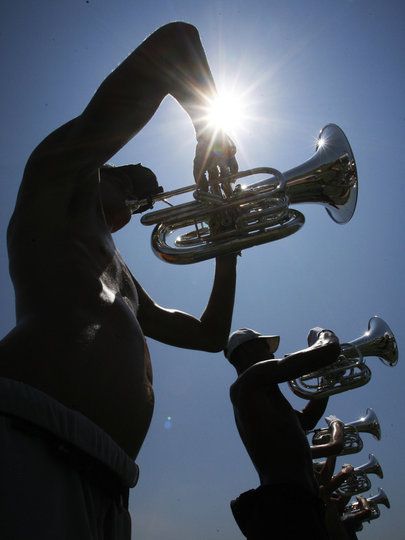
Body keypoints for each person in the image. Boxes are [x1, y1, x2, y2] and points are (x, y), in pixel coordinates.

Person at [0, 22, 238, 539]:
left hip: (112, 487)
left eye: (143, 201)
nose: (136, 204)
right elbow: (177, 41)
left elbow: (208, 335)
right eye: (130, 182)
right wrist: (208, 128)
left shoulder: (119, 275)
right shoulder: (54, 173)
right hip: (30, 438)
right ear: (99, 167)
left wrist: (228, 247)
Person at [225, 326, 341, 539]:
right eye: (264, 347)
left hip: (301, 501)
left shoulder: (265, 395)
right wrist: (321, 333)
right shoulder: (249, 381)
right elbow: (328, 350)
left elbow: (307, 419)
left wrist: (327, 379)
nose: (272, 354)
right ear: (246, 351)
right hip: (284, 503)